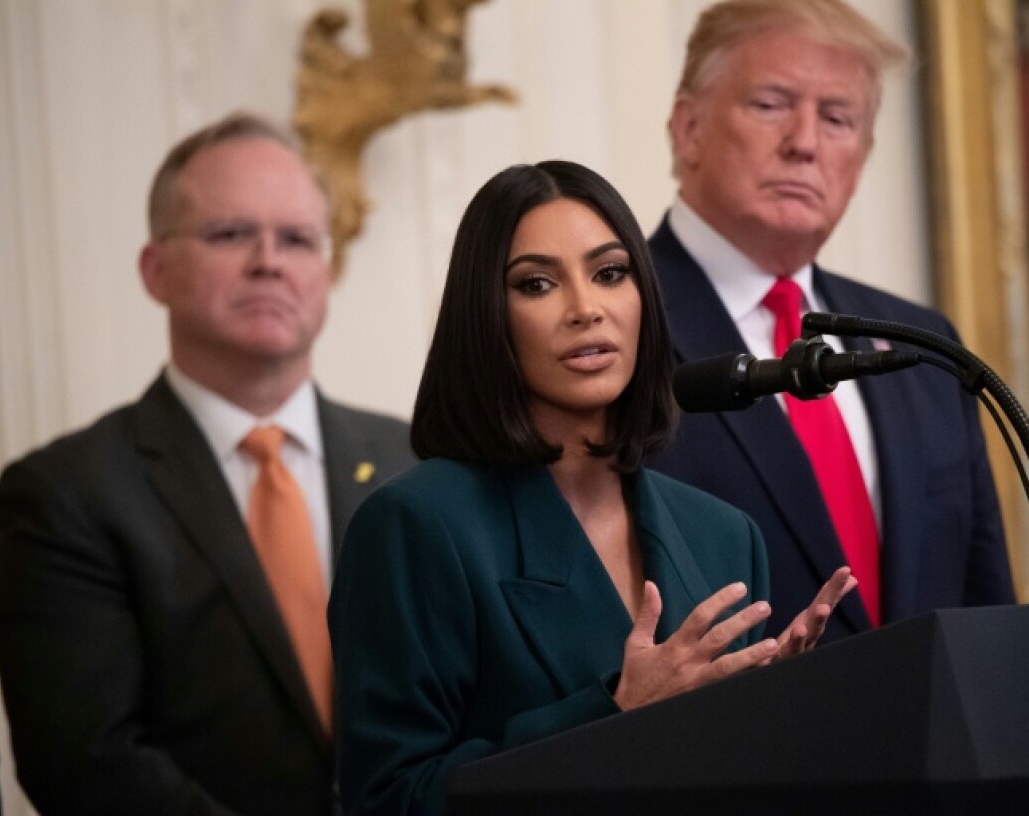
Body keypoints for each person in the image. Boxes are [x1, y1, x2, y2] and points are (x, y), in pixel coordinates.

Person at [329, 160, 856, 814]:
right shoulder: (414, 526)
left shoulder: (726, 535)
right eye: (538, 283)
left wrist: (769, 717)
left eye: (610, 274)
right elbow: (387, 801)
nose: (586, 309)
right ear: (486, 315)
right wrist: (613, 713)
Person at [0, 112, 415, 815]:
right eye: (230, 234)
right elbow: (86, 763)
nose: (269, 260)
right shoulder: (67, 493)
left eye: (298, 239)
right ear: (155, 271)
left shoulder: (414, 461)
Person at [649, 0, 1015, 642]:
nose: (804, 143)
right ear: (688, 128)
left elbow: (987, 617)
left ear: (863, 156)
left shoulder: (925, 345)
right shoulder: (615, 332)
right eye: (769, 105)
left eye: (837, 118)